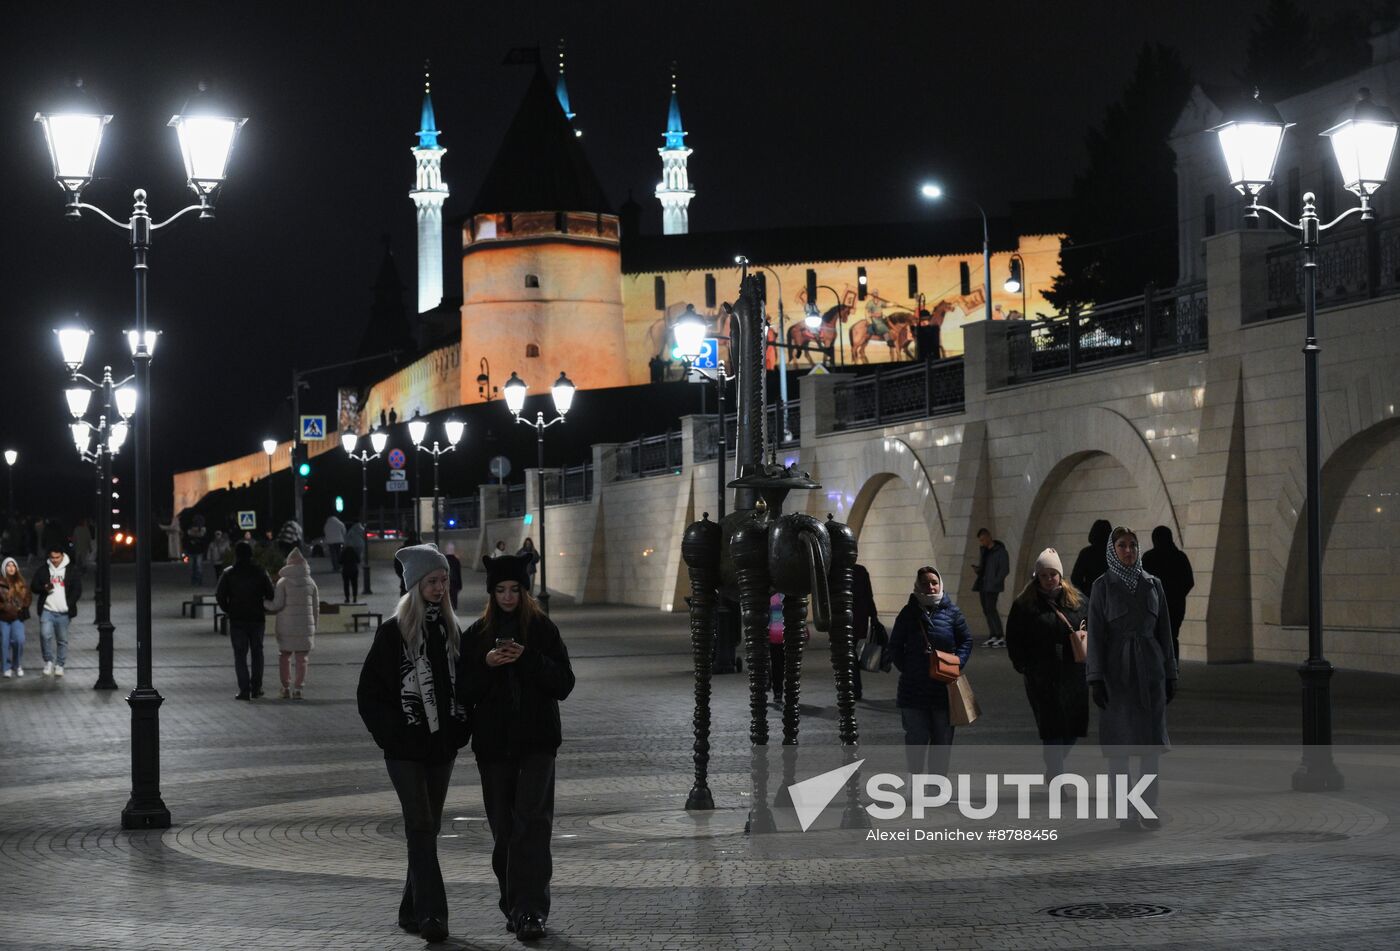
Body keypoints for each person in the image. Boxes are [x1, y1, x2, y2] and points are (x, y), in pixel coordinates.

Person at [357, 544, 470, 944]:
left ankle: (410, 909)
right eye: (433, 581)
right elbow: (369, 694)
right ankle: (432, 916)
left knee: (427, 829)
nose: (441, 588)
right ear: (415, 585)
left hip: (441, 750)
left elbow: (464, 688)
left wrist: (459, 731)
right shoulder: (393, 634)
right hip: (405, 752)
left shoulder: (451, 631)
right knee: (420, 825)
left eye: (444, 581)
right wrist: (394, 735)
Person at [461, 554, 575, 940]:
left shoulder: (543, 630)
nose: (508, 596)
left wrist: (527, 659)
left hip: (537, 743)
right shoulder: (475, 634)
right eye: (500, 590)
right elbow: (464, 691)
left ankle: (531, 910)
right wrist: (488, 665)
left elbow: (564, 683)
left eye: (514, 589)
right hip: (493, 747)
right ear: (491, 592)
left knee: (533, 825)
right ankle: (513, 905)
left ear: (524, 591)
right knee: (504, 829)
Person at [1086, 526, 1177, 831]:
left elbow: (1165, 633)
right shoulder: (1103, 587)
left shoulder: (1154, 585)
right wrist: (1096, 678)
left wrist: (1170, 674)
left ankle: (1149, 809)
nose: (1128, 550)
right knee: (1120, 751)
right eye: (1122, 545)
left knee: (1150, 750)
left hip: (1150, 673)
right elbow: (1096, 635)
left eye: (1133, 545)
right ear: (1113, 550)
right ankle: (1126, 813)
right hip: (1118, 676)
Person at [1005, 548, 1089, 779]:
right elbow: (1014, 638)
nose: (1049, 579)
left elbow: (1092, 627)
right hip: (1042, 676)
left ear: (1060, 575)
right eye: (1044, 575)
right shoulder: (1025, 605)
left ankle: (1054, 766)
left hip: (1073, 673)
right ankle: (1056, 774)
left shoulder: (1078, 602)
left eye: (1053, 574)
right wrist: (1023, 664)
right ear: (1037, 577)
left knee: (1072, 729)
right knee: (1052, 728)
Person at [888, 566, 972, 777]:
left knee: (942, 740)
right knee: (916, 738)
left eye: (934, 582)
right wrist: (907, 668)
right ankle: (915, 783)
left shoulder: (952, 612)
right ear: (918, 586)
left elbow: (966, 640)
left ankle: (938, 786)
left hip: (944, 689)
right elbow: (895, 645)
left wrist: (957, 663)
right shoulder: (908, 613)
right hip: (913, 689)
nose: (931, 587)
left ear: (940, 584)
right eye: (925, 583)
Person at [216, 541, 275, 701]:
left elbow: (220, 595)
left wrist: (229, 609)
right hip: (257, 619)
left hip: (237, 619)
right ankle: (256, 688)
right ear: (251, 554)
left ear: (236, 555)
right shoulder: (260, 572)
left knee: (240, 655)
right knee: (257, 653)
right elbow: (270, 593)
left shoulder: (229, 573)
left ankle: (244, 690)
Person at [265, 548, 319, 700]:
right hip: (305, 626)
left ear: (289, 563)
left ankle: (285, 687)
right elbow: (316, 607)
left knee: (284, 656)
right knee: (302, 659)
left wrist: (265, 603)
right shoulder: (311, 582)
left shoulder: (283, 582)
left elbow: (277, 605)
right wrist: (314, 626)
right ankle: (299, 689)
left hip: (286, 625)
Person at [1141, 525, 1195, 663]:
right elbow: (1189, 581)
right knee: (1172, 638)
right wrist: (1177, 595)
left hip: (1153, 607)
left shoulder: (1149, 557)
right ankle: (1172, 673)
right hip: (1175, 606)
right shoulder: (1180, 557)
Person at [31, 546, 81, 678]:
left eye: (57, 557)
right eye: (52, 558)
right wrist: (44, 588)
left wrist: (68, 604)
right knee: (44, 635)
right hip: (47, 610)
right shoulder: (44, 570)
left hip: (63, 612)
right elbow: (34, 586)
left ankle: (60, 665)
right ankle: (48, 661)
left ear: (62, 556)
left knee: (62, 639)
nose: (54, 560)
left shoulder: (70, 570)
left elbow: (77, 589)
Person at [971, 527, 1009, 647]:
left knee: (991, 608)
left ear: (988, 536)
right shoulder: (984, 551)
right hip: (983, 584)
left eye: (983, 539)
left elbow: (1004, 569)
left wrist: (995, 581)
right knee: (986, 610)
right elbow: (984, 567)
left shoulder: (1000, 551)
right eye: (980, 540)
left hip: (992, 586)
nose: (982, 542)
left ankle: (999, 635)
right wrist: (978, 570)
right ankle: (993, 634)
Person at [850, 563, 878, 700]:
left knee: (849, 654)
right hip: (860, 619)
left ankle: (854, 688)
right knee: (851, 652)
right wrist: (873, 616)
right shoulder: (861, 571)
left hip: (848, 620)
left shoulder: (841, 570)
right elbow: (869, 595)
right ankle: (855, 688)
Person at [0, 557, 31, 678]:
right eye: (8, 565)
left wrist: (23, 604)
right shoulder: (1, 582)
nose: (11, 568)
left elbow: (28, 597)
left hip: (17, 617)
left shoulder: (21, 582)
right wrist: (4, 607)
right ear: (4, 568)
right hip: (3, 617)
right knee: (4, 642)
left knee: (19, 640)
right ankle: (6, 667)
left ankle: (17, 665)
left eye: (13, 566)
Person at [1070, 519, 1113, 595]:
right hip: (1111, 595)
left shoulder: (1086, 553)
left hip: (1092, 595)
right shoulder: (1115, 553)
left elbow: (1075, 578)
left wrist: (1086, 590)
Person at [184, 514, 209, 586]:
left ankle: (197, 581)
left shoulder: (202, 529)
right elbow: (187, 538)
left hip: (197, 550)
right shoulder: (192, 528)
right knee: (195, 568)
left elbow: (204, 539)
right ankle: (195, 581)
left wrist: (196, 541)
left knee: (196, 567)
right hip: (193, 550)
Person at [443, 542, 463, 611]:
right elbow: (458, 573)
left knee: (446, 598)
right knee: (453, 599)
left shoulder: (443, 559)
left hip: (446, 582)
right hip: (454, 582)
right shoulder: (456, 560)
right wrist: (460, 585)